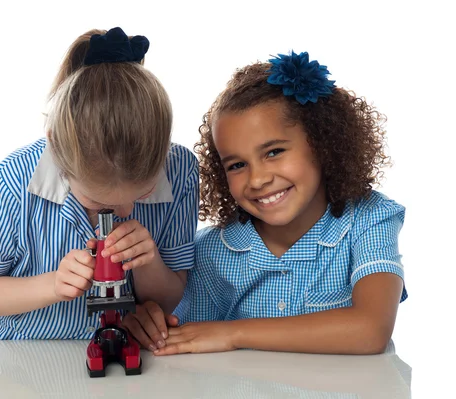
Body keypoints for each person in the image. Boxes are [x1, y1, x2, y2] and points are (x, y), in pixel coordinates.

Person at [123, 50, 407, 355]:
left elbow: (370, 329)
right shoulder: (210, 254)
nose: (257, 179)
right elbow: (187, 341)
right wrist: (150, 324)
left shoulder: (369, 220)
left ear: (322, 143)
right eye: (236, 165)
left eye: (273, 152)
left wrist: (234, 333)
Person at [0, 27, 199, 344]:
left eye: (143, 193)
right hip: (23, 356)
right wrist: (53, 284)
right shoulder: (10, 184)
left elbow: (170, 296)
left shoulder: (180, 170)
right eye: (99, 202)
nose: (124, 212)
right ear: (58, 154)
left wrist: (148, 262)